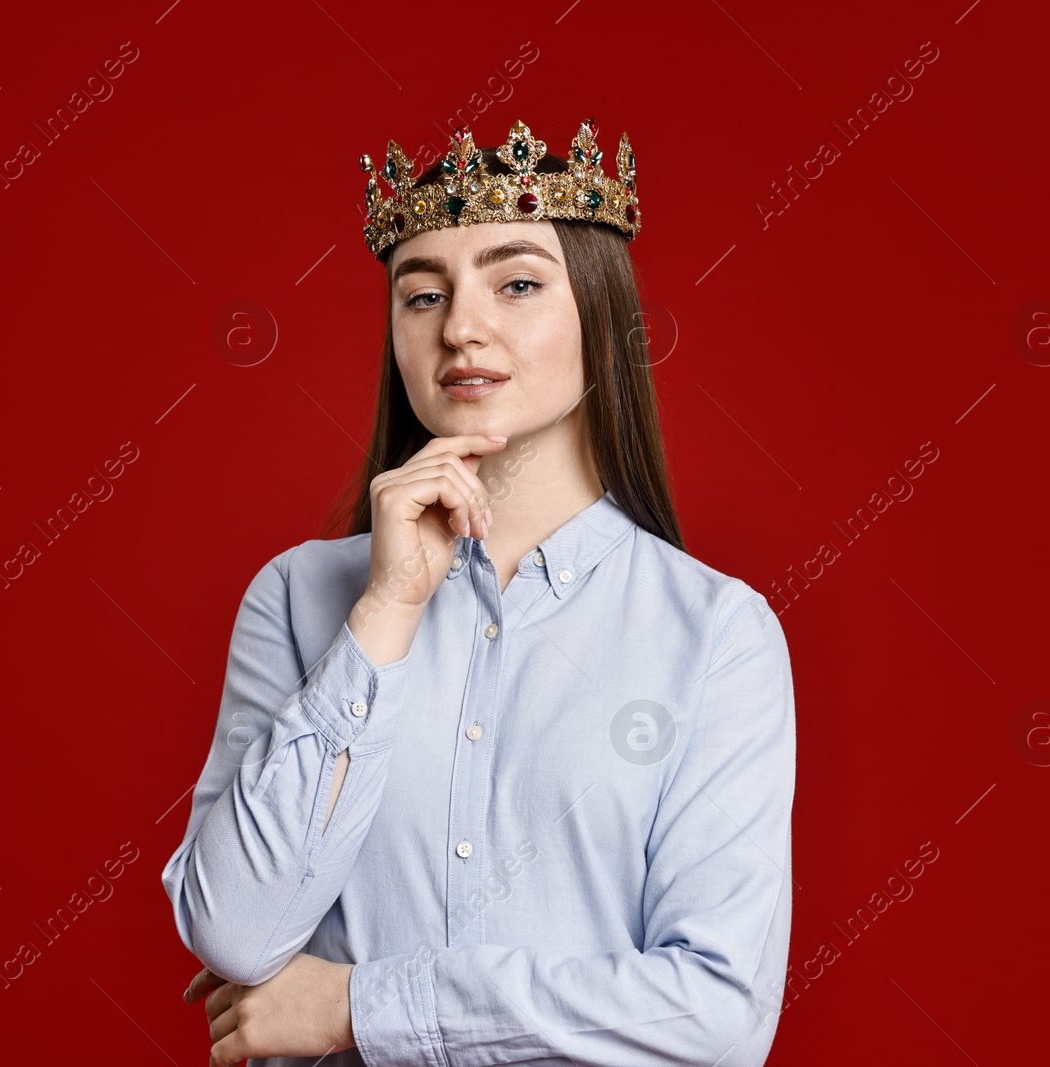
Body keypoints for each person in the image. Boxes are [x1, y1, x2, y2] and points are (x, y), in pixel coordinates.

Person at [161, 117, 797, 1067]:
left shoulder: (715, 635)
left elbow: (716, 1013)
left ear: (601, 313)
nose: (460, 325)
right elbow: (236, 933)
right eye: (422, 294)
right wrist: (383, 616)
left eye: (518, 283)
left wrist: (361, 1007)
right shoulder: (298, 598)